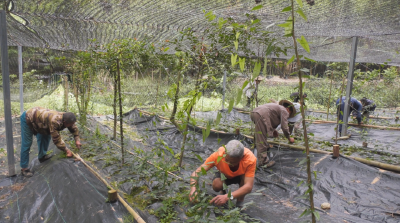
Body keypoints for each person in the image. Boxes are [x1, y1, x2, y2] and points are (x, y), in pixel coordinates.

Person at [189, 140, 256, 208]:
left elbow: (248, 187)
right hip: (224, 174)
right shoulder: (218, 155)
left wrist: (228, 197)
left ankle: (240, 200)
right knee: (217, 185)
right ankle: (223, 193)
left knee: (244, 184)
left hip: (241, 176)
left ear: (241, 158)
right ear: (225, 153)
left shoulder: (250, 159)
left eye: (233, 162)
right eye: (226, 160)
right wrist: (193, 190)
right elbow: (196, 173)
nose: (228, 163)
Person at [20, 107, 81, 177]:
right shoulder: (55, 121)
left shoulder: (67, 117)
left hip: (41, 121)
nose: (71, 125)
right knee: (27, 143)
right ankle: (24, 168)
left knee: (45, 136)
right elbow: (57, 140)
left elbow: (74, 128)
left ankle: (42, 156)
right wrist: (66, 150)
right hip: (28, 118)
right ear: (65, 122)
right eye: (70, 124)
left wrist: (77, 140)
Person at [250, 100, 295, 167]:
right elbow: (284, 126)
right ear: (288, 109)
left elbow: (270, 118)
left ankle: (254, 151)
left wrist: (273, 130)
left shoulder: (277, 108)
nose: (288, 116)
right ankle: (263, 162)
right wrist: (289, 137)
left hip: (254, 113)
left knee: (258, 134)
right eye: (289, 113)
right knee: (262, 138)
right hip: (261, 114)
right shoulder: (284, 110)